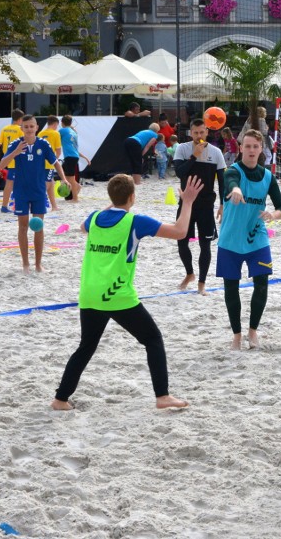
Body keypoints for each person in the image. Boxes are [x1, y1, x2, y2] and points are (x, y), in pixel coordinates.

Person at [51, 174, 204, 412]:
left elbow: (82, 228)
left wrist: (112, 202)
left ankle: (60, 399)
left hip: (90, 293)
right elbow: (180, 231)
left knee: (86, 347)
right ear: (132, 197)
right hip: (117, 295)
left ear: (110, 197)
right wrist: (188, 201)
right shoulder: (134, 221)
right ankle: (162, 396)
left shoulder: (94, 218)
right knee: (152, 339)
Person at [217, 129, 281, 350]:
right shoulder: (233, 170)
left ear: (261, 149)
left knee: (262, 284)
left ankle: (253, 331)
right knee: (231, 288)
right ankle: (237, 335)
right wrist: (236, 189)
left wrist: (273, 215)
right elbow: (231, 181)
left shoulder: (268, 177)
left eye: (255, 147)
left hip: (257, 237)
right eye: (247, 146)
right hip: (230, 240)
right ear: (241, 148)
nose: (251, 150)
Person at [0, 115, 70, 273]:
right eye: (26, 126)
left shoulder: (43, 144)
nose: (29, 129)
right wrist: (15, 152)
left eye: (32, 126)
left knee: (38, 227)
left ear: (37, 127)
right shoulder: (15, 144)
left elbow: (55, 162)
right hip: (21, 191)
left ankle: (38, 264)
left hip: (38, 190)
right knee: (22, 227)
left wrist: (64, 179)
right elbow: (1, 165)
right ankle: (25, 264)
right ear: (22, 128)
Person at [173, 118, 227, 295]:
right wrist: (194, 155)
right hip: (186, 203)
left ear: (207, 132)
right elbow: (179, 173)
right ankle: (189, 273)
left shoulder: (216, 152)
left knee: (206, 245)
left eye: (202, 132)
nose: (199, 135)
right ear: (190, 133)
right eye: (195, 132)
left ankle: (201, 284)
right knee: (181, 242)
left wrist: (222, 204)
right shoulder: (182, 149)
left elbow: (222, 182)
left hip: (206, 205)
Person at [58, 115, 90, 203]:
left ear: (62, 123)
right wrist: (85, 157)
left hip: (70, 156)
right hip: (74, 156)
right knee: (68, 177)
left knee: (71, 179)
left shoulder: (63, 130)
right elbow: (75, 148)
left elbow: (55, 138)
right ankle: (77, 188)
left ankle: (75, 198)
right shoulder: (73, 132)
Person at [0, 109, 25, 213]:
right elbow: (23, 144)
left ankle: (8, 205)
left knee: (12, 182)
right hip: (17, 159)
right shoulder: (20, 129)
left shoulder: (5, 129)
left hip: (7, 158)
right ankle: (5, 206)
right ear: (20, 119)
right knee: (11, 183)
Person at [38, 115, 63, 212]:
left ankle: (54, 206)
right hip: (49, 163)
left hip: (40, 162)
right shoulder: (55, 134)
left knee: (51, 184)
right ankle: (38, 205)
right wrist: (54, 161)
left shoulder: (40, 133)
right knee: (46, 185)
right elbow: (58, 151)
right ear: (55, 124)